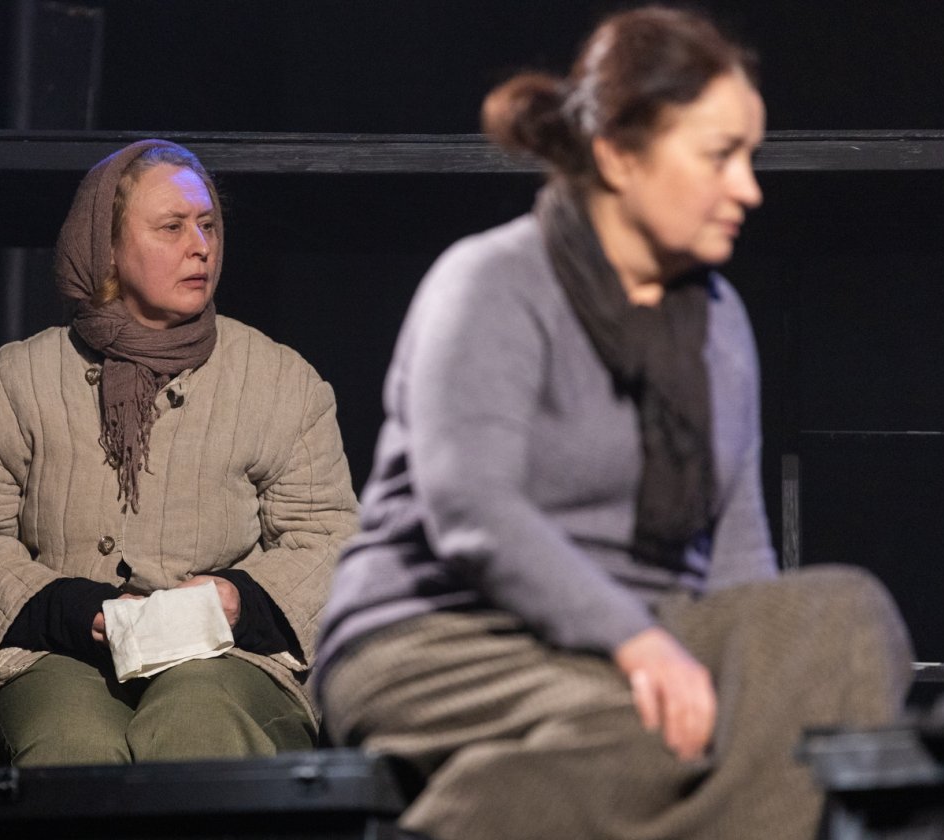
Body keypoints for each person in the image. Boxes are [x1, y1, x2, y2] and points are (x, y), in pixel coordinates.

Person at [315, 8, 912, 840]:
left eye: (750, 157)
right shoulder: (493, 282)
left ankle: (475, 815)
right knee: (657, 730)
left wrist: (753, 676)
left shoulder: (717, 323)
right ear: (619, 155)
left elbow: (738, 560)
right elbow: (473, 510)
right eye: (720, 156)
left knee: (846, 622)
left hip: (638, 639)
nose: (749, 188)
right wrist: (638, 644)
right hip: (441, 636)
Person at [0, 139, 358, 766]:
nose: (200, 246)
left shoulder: (281, 381)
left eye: (207, 225)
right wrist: (71, 611)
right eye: (172, 227)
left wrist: (238, 599)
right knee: (71, 746)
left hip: (229, 658)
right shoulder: (14, 382)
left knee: (197, 729)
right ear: (108, 249)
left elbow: (332, 540)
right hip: (52, 656)